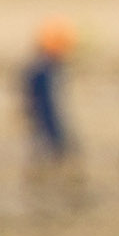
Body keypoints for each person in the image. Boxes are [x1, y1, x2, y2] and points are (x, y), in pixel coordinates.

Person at [19, 22, 79, 179]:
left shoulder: (41, 68)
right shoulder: (42, 70)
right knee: (48, 139)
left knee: (44, 140)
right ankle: (49, 166)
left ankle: (46, 166)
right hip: (45, 116)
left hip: (44, 115)